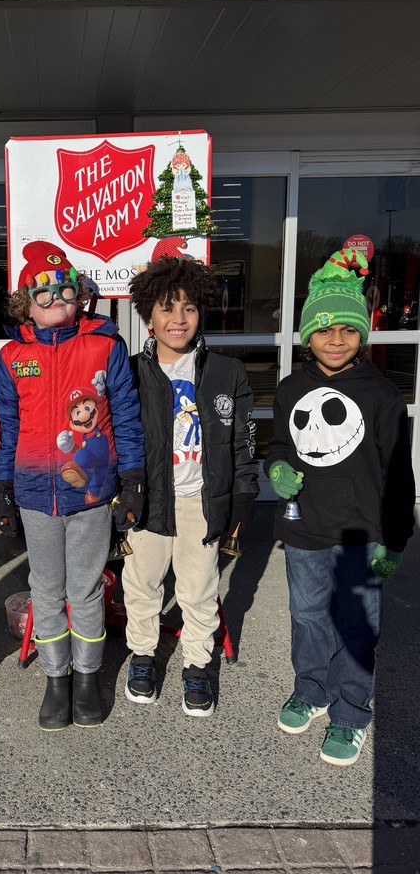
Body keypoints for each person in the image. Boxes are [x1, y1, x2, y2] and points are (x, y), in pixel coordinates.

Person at [266, 247, 415, 766]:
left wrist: (396, 538)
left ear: (362, 336)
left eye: (348, 330)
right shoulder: (290, 390)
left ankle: (351, 712)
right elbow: (281, 446)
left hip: (362, 533)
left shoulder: (382, 396)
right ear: (307, 334)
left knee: (354, 623)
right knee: (307, 616)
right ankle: (310, 688)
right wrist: (277, 469)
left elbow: (399, 475)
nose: (335, 340)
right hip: (305, 529)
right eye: (325, 329)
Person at [0, 240, 145, 731]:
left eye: (65, 290)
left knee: (84, 589)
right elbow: (8, 425)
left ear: (80, 296)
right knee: (46, 589)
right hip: (36, 492)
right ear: (25, 302)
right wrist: (3, 488)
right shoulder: (14, 355)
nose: (55, 298)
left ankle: (86, 676)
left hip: (92, 490)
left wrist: (135, 478)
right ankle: (55, 678)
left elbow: (125, 414)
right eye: (43, 293)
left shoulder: (105, 344)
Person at [123, 257, 258, 716]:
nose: (177, 319)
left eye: (188, 309)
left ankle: (197, 664)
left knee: (198, 588)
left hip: (202, 499)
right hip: (147, 500)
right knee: (142, 583)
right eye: (166, 308)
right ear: (148, 316)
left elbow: (242, 442)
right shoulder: (129, 373)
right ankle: (142, 656)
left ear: (201, 313)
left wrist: (243, 498)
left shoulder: (227, 372)